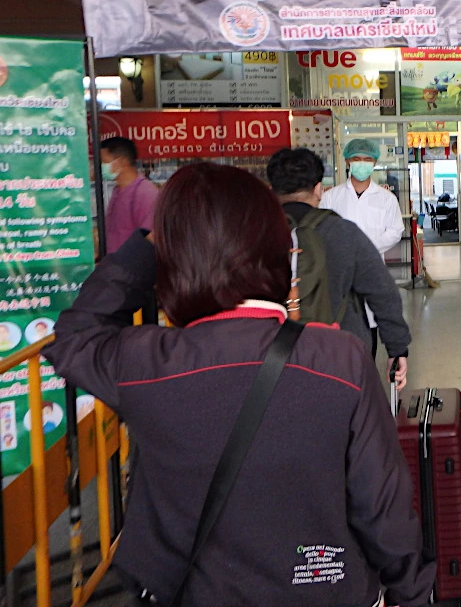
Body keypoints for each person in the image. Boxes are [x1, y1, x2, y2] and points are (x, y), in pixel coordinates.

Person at [47, 163, 434, 607]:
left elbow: (76, 336)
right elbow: (382, 506)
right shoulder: (337, 359)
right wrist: (411, 594)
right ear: (276, 250)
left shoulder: (147, 363)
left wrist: (153, 246)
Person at [267, 147, 411, 381]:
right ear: (318, 189)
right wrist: (397, 348)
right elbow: (383, 292)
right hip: (339, 352)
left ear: (271, 189)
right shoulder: (343, 232)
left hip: (270, 354)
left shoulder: (254, 233)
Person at [100, 136, 159, 255]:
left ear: (121, 162)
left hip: (133, 270)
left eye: (104, 162)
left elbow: (150, 239)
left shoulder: (145, 193)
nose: (100, 166)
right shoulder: (117, 191)